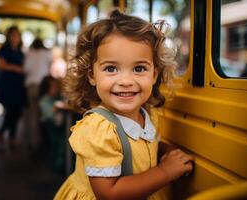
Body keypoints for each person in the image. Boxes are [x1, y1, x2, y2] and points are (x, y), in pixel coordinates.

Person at [54, 10, 194, 200]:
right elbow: (109, 193)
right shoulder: (99, 129)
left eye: (139, 68)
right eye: (111, 68)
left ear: (154, 75)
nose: (126, 81)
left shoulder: (147, 113)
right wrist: (165, 172)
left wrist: (164, 151)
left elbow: (141, 147)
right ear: (92, 76)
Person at [0, 26, 26, 147]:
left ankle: (11, 136)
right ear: (8, 37)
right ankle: (2, 132)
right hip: (8, 84)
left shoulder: (20, 51)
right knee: (11, 110)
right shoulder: (4, 49)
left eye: (17, 35)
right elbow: (1, 65)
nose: (15, 38)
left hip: (19, 84)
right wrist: (15, 68)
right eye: (13, 35)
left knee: (17, 111)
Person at [23, 38, 53, 149]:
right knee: (44, 113)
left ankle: (34, 142)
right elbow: (50, 67)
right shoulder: (47, 53)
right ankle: (43, 142)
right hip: (43, 86)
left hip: (31, 86)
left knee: (33, 114)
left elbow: (26, 69)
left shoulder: (29, 53)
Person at [38, 75, 65, 173]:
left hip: (58, 126)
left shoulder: (59, 98)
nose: (55, 89)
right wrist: (56, 110)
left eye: (56, 86)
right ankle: (58, 165)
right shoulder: (44, 100)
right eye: (53, 87)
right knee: (56, 144)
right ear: (46, 88)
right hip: (50, 127)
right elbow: (51, 117)